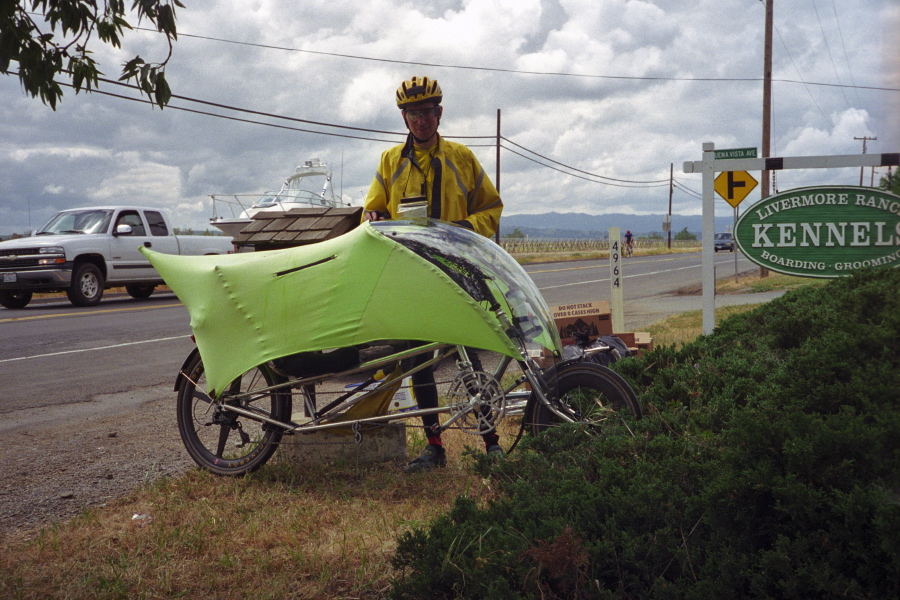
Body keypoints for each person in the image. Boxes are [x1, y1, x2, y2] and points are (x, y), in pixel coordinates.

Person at [364, 76, 504, 472]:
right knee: (418, 361)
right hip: (411, 274)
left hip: (456, 271)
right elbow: (371, 211)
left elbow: (492, 209)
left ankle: (491, 441)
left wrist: (463, 229)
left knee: (468, 353)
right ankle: (434, 447)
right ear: (404, 117)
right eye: (412, 113)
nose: (420, 120)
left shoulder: (461, 157)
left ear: (439, 113)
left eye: (427, 112)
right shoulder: (390, 162)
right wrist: (373, 216)